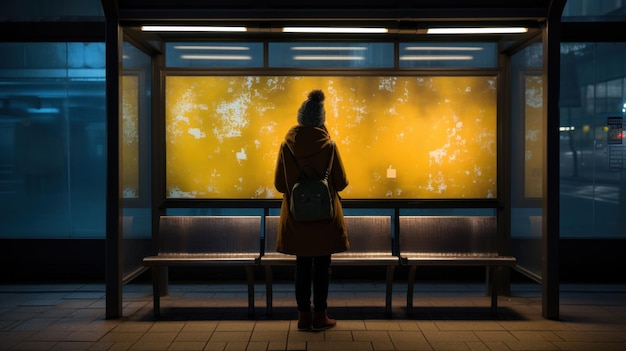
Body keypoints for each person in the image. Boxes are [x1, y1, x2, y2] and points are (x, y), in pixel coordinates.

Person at [274, 89, 349, 331]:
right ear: (321, 118)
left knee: (302, 266)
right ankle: (321, 315)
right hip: (324, 219)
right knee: (322, 267)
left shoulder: (287, 145)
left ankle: (303, 316)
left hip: (297, 217)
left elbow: (278, 185)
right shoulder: (329, 145)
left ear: (300, 117)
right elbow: (341, 183)